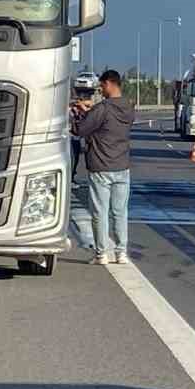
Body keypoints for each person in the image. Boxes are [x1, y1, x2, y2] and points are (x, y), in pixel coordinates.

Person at [73, 69, 135, 265]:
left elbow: (81, 130)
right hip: (122, 166)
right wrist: (89, 112)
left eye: (101, 86)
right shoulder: (128, 107)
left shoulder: (103, 108)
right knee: (120, 212)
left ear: (108, 83)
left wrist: (79, 114)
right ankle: (121, 252)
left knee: (100, 212)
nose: (101, 90)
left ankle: (102, 254)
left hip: (101, 166)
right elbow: (108, 124)